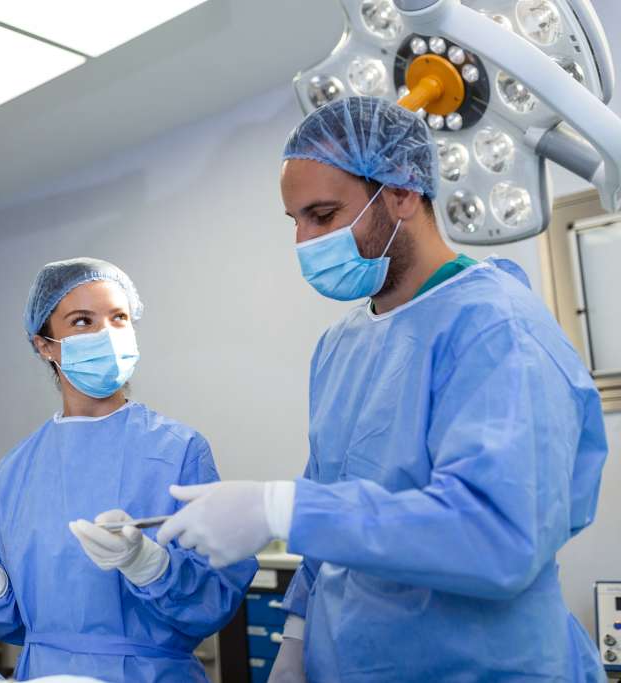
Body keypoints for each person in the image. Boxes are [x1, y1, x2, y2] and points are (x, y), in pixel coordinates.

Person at [158, 96, 609, 682]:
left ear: (401, 194)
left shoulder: (498, 330)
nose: (304, 242)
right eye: (295, 221)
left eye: (322, 215)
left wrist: (281, 508)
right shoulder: (341, 346)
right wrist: (297, 637)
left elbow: (498, 536)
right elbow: (333, 510)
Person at [0, 258, 258, 682]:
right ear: (45, 345)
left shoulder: (179, 450)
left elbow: (216, 597)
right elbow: (17, 624)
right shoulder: (18, 468)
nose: (106, 333)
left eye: (118, 317)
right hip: (45, 674)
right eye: (83, 321)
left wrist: (151, 567)